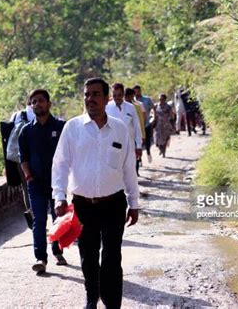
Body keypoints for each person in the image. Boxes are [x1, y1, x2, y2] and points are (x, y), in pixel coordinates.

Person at [52, 78, 139, 309]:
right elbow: (60, 164)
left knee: (112, 257)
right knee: (88, 256)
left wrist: (134, 202)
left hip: (114, 204)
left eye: (95, 94)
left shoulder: (120, 128)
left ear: (106, 98)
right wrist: (59, 196)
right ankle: (92, 297)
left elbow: (129, 167)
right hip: (83, 205)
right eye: (86, 94)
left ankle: (112, 304)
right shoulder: (72, 128)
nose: (90, 98)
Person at [18, 89, 67, 273]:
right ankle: (41, 258)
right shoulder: (26, 131)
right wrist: (29, 176)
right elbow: (23, 157)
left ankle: (57, 251)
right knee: (38, 221)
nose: (37, 104)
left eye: (41, 101)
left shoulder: (61, 127)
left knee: (58, 219)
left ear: (49, 103)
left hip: (57, 183)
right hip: (36, 183)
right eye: (34, 102)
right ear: (31, 106)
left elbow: (69, 154)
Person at [106, 83, 143, 167]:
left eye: (119, 95)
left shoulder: (130, 107)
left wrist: (139, 145)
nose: (117, 98)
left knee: (129, 171)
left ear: (123, 94)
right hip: (112, 146)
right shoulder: (107, 108)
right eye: (114, 95)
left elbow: (137, 127)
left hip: (129, 146)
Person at [124, 88, 145, 176]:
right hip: (122, 138)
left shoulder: (136, 106)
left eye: (132, 97)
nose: (131, 99)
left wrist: (142, 135)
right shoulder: (115, 107)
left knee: (135, 155)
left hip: (134, 136)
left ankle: (135, 171)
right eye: (129, 97)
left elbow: (140, 122)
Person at [133, 85, 155, 163]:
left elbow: (153, 108)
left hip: (146, 124)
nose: (136, 93)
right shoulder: (133, 102)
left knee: (147, 141)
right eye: (135, 92)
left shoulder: (146, 100)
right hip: (137, 126)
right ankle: (139, 159)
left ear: (140, 91)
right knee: (139, 142)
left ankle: (148, 152)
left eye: (138, 91)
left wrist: (154, 118)